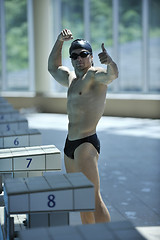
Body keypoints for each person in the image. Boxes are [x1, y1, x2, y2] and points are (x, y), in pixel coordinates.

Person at [48, 29, 118, 224]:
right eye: (75, 55)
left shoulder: (94, 75)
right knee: (81, 200)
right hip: (70, 144)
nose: (79, 58)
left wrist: (110, 62)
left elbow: (111, 76)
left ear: (91, 57)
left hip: (86, 145)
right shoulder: (71, 79)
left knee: (93, 199)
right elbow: (52, 68)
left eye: (84, 54)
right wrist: (59, 40)